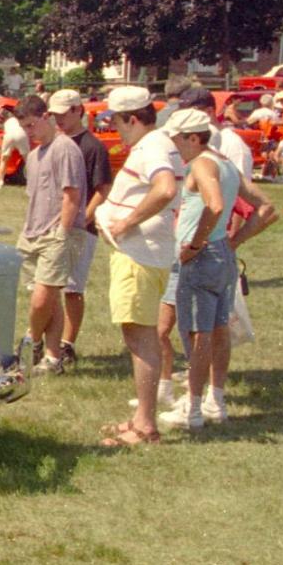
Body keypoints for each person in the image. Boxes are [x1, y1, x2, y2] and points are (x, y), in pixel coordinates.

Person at [155, 108, 277, 432]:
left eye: (177, 139)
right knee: (219, 329)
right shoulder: (227, 164)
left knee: (198, 335)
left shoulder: (202, 164)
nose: (174, 145)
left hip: (201, 257)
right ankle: (215, 401)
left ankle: (192, 410)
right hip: (222, 254)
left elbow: (216, 205)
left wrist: (195, 244)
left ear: (193, 138)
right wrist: (233, 242)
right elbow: (267, 209)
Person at [94, 87, 184, 447]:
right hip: (143, 256)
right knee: (140, 334)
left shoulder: (153, 146)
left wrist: (126, 222)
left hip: (140, 256)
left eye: (116, 121)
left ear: (131, 118)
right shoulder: (156, 144)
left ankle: (145, 425)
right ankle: (140, 418)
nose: (115, 129)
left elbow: (164, 190)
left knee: (140, 337)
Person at [14, 95, 85, 375]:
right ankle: (52, 359)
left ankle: (30, 342)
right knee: (49, 299)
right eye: (24, 128)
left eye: (32, 125)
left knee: (42, 299)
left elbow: (72, 195)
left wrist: (62, 233)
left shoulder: (65, 148)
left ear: (47, 117)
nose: (29, 132)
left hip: (57, 233)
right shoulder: (33, 156)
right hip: (32, 232)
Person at [50, 89, 113, 370]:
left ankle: (67, 344)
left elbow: (103, 190)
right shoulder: (53, 143)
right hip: (53, 226)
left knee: (72, 289)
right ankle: (48, 343)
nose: (59, 119)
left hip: (80, 230)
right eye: (55, 114)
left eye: (64, 114)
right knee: (49, 286)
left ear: (79, 111)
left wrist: (82, 220)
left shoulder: (92, 147)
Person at [0, 111, 29, 188]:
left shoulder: (8, 121)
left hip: (8, 136)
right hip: (21, 135)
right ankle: (32, 181)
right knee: (27, 160)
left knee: (3, 160)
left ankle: (1, 181)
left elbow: (4, 130)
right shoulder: (24, 119)